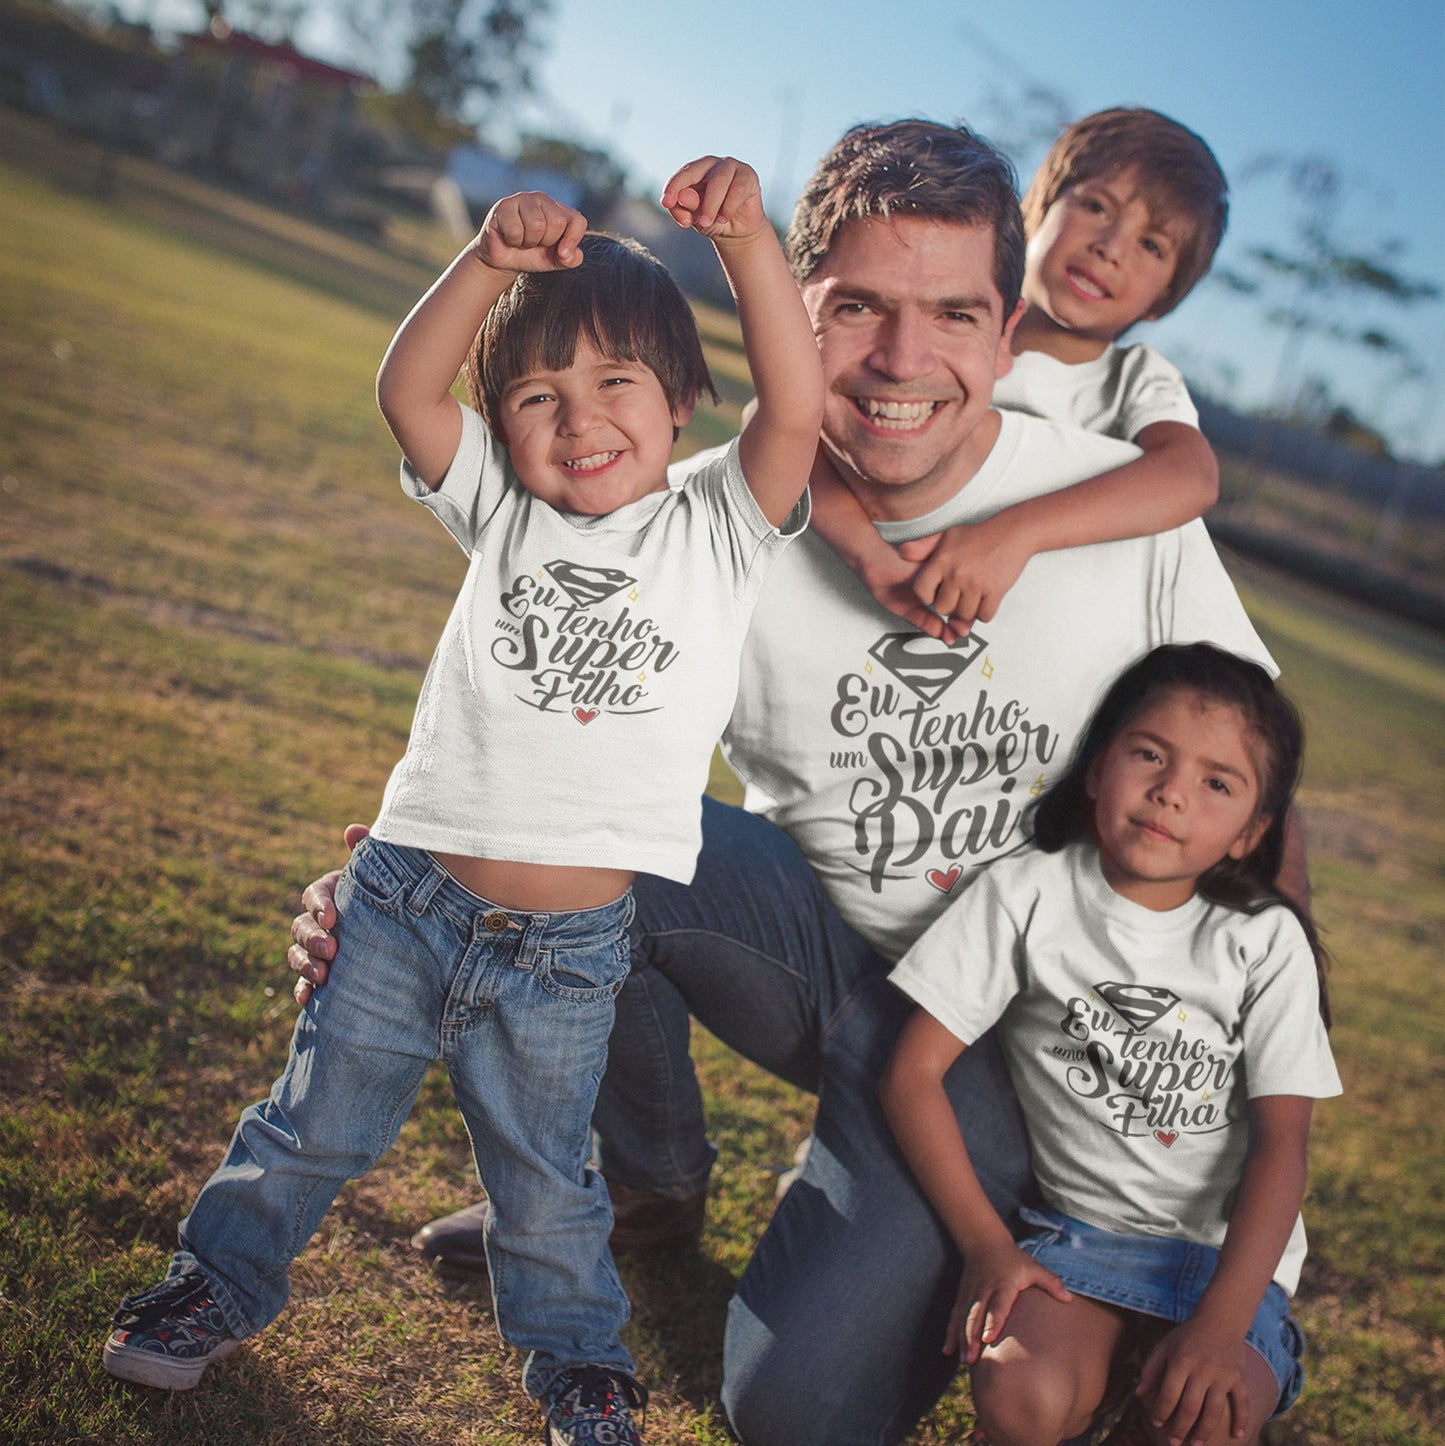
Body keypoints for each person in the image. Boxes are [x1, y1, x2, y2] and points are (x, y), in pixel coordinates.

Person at [291, 120, 1305, 1445]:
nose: (899, 359)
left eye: (952, 313)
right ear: (784, 311)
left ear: (1009, 336)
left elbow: (1259, 815)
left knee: (794, 1415)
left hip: (1006, 1048)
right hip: (824, 951)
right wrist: (389, 879)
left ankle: (1033, 1289)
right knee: (613, 855)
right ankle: (645, 1185)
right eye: (854, 309)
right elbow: (534, 732)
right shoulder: (694, 519)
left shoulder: (1122, 513)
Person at [101, 155, 820, 1446]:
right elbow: (405, 388)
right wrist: (487, 260)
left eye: (615, 384)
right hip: (406, 902)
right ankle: (211, 1288)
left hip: (569, 950)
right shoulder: (504, 509)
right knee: (308, 1125)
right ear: (503, 419)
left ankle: (579, 1369)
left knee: (547, 1183)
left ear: (683, 401)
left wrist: (753, 246)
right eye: (536, 394)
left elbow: (796, 409)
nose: (577, 417)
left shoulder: (717, 524)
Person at [881, 642, 1338, 1446]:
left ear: (1248, 831)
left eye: (1215, 783)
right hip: (1080, 1239)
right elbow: (912, 1075)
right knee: (1024, 1395)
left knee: (1202, 1419)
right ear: (1097, 768)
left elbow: (1281, 1145)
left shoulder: (1262, 941)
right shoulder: (1027, 893)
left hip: (1219, 1267)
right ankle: (1093, 1381)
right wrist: (987, 1247)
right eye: (1148, 754)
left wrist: (1222, 1325)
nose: (1170, 792)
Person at [810, 107, 1227, 645]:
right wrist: (871, 560)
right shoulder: (937, 342)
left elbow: (1192, 477)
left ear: (1164, 300)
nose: (1111, 247)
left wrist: (1013, 535)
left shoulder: (1133, 380)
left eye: (1152, 245)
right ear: (1038, 208)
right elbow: (787, 431)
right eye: (1097, 207)